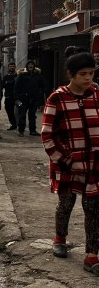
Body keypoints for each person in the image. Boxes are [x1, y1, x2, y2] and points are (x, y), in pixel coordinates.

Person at [41, 51, 99, 267]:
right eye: (83, 74)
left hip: (94, 164)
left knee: (93, 208)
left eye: (91, 73)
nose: (88, 78)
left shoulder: (96, 95)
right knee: (66, 204)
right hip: (66, 164)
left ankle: (92, 255)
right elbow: (47, 135)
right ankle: (60, 238)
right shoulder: (57, 98)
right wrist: (65, 158)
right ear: (70, 75)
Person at [15, 60, 46, 136]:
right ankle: (21, 131)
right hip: (23, 99)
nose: (30, 66)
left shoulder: (38, 75)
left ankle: (33, 130)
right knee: (22, 115)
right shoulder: (22, 75)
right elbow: (16, 88)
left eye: (32, 64)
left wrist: (39, 92)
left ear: (34, 66)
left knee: (32, 115)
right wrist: (16, 99)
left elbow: (44, 86)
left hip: (34, 99)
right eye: (29, 64)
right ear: (27, 66)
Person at [2, 62, 18, 130]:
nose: (12, 67)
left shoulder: (18, 75)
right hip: (8, 97)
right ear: (8, 67)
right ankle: (13, 124)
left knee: (21, 110)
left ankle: (20, 124)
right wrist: (11, 82)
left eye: (13, 66)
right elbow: (3, 85)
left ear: (15, 67)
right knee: (9, 110)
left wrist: (8, 82)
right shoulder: (6, 76)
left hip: (18, 97)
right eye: (10, 66)